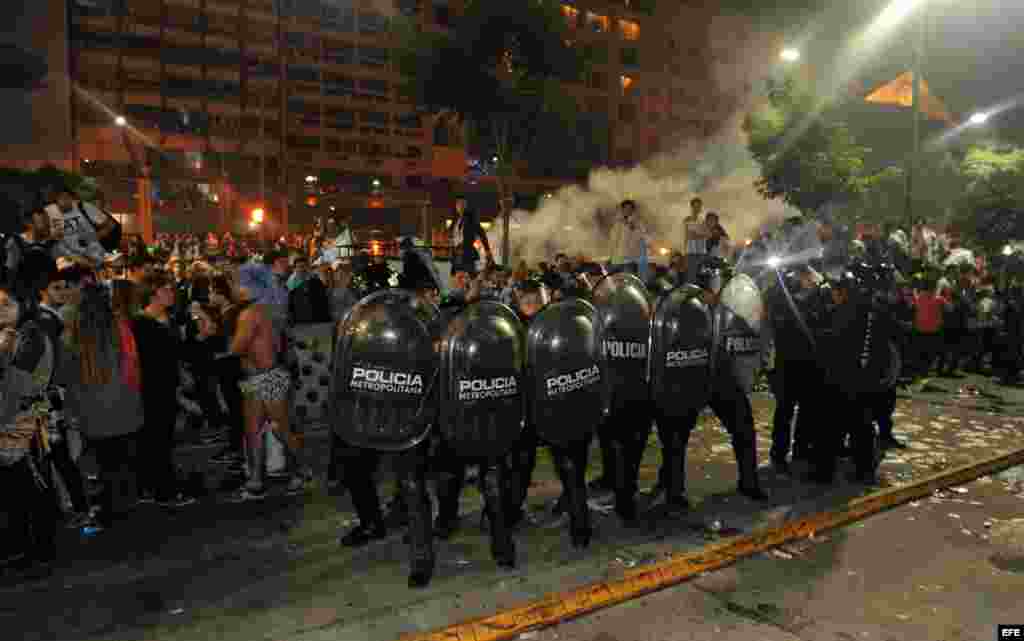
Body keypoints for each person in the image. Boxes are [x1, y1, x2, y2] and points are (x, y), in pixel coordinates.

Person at [62, 283, 146, 528]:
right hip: (124, 405)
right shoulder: (119, 328)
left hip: (92, 410)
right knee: (120, 459)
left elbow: (68, 376)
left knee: (101, 462)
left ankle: (106, 509)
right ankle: (124, 503)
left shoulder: (75, 333)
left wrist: (72, 411)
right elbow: (134, 365)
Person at [230, 263, 302, 501]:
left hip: (264, 376)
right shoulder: (268, 309)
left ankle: (297, 473)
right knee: (257, 430)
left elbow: (238, 346)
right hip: (264, 375)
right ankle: (257, 481)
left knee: (278, 428)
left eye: (238, 282)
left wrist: (220, 345)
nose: (234, 286)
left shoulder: (251, 313)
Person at [133, 271, 194, 507]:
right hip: (152, 392)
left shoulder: (167, 320)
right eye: (167, 289)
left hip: (166, 389)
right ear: (153, 294)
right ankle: (163, 491)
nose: (172, 293)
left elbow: (175, 355)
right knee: (156, 440)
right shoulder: (141, 324)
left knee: (161, 440)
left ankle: (153, 486)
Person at [450, 195, 494, 274]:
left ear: (466, 205)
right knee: (457, 275)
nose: (461, 207)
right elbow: (454, 236)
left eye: (463, 204)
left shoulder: (470, 218)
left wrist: (487, 250)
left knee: (469, 275)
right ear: (456, 206)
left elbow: (481, 233)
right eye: (459, 204)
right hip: (457, 253)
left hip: (468, 252)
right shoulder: (456, 220)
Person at [607, 200, 650, 281]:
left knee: (629, 282)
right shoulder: (617, 223)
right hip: (616, 260)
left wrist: (634, 228)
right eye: (625, 208)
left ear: (633, 210)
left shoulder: (639, 223)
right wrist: (610, 256)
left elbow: (644, 237)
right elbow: (612, 241)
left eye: (630, 208)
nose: (627, 210)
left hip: (630, 260)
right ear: (622, 210)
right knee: (616, 282)